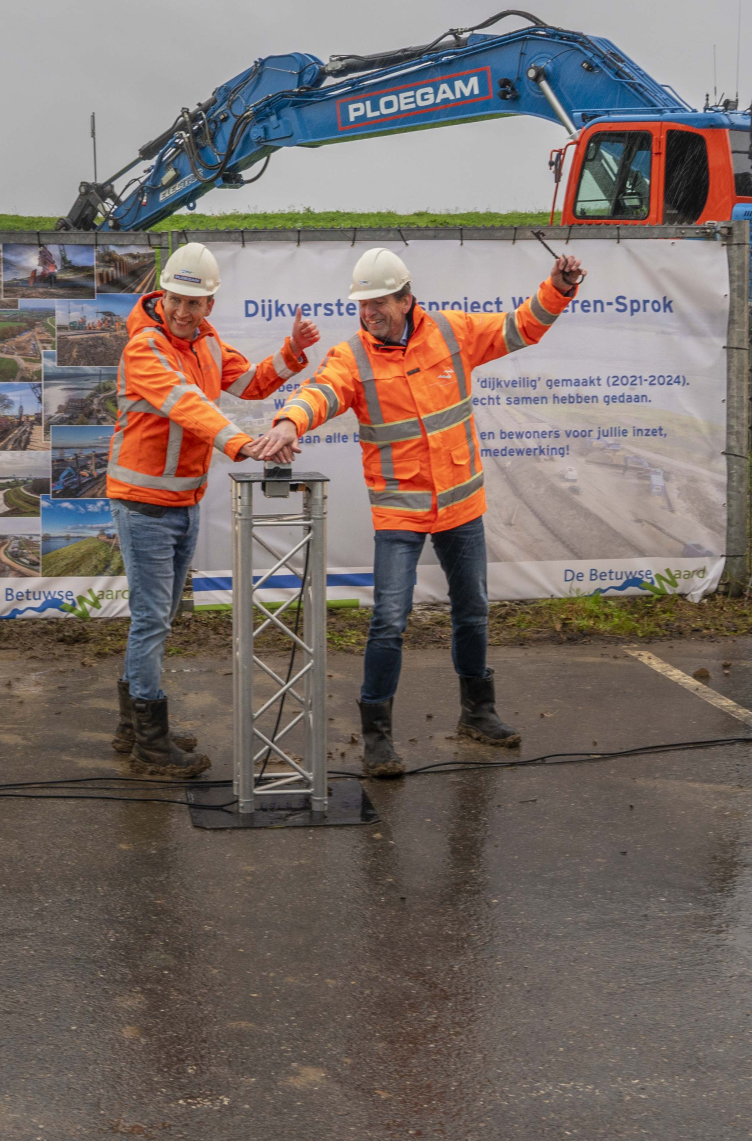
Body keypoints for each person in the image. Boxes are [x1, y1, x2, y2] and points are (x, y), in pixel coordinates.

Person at [250, 245, 585, 777]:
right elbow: (320, 393)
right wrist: (290, 421)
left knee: (472, 611)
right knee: (388, 621)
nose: (368, 313)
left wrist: (559, 290)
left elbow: (520, 328)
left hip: (460, 507)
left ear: (407, 300)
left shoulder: (451, 331)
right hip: (400, 514)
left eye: (379, 302)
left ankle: (478, 712)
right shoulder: (350, 357)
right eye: (362, 304)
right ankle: (378, 737)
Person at [107, 241, 318, 777]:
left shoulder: (206, 342)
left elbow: (247, 383)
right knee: (152, 621)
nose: (184, 311)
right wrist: (242, 444)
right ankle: (150, 749)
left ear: (209, 306)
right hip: (144, 504)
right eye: (177, 299)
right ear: (163, 294)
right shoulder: (144, 348)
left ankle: (134, 725)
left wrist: (290, 354)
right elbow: (187, 404)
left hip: (183, 502)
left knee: (159, 619)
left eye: (194, 303)